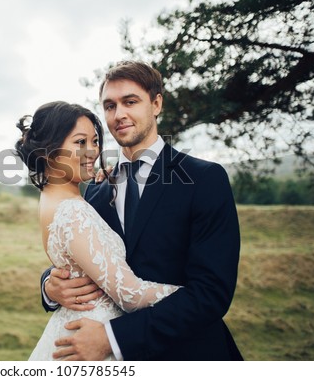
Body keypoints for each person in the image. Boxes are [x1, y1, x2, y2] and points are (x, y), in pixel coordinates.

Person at [42, 61, 243, 360]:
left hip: (188, 355)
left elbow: (212, 293)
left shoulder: (204, 179)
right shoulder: (95, 191)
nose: (119, 114)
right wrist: (50, 286)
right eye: (109, 106)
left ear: (156, 103)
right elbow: (91, 258)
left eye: (130, 102)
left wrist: (113, 338)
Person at [15, 101, 181, 361]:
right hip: (93, 340)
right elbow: (129, 293)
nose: (92, 151)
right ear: (49, 153)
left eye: (94, 141)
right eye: (80, 142)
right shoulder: (73, 210)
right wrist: (191, 295)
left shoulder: (60, 198)